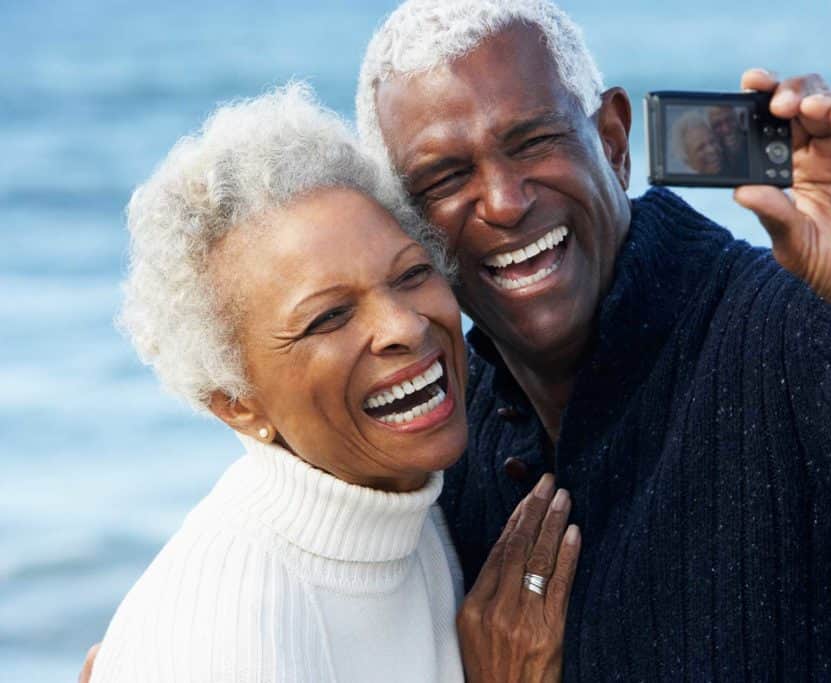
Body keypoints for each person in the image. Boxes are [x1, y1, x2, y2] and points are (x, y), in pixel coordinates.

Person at [355, 0, 831, 680]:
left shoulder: (797, 334)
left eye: (532, 141)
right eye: (445, 177)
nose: (503, 200)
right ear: (410, 226)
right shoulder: (445, 435)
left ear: (614, 142)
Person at [85, 83, 580, 682]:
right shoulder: (234, 630)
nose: (403, 326)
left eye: (413, 274)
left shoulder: (408, 506)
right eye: (328, 317)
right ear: (235, 402)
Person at [707, 104, 748, 175]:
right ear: (711, 131)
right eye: (717, 125)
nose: (726, 129)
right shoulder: (714, 164)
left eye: (729, 120)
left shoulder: (754, 146)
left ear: (738, 120)